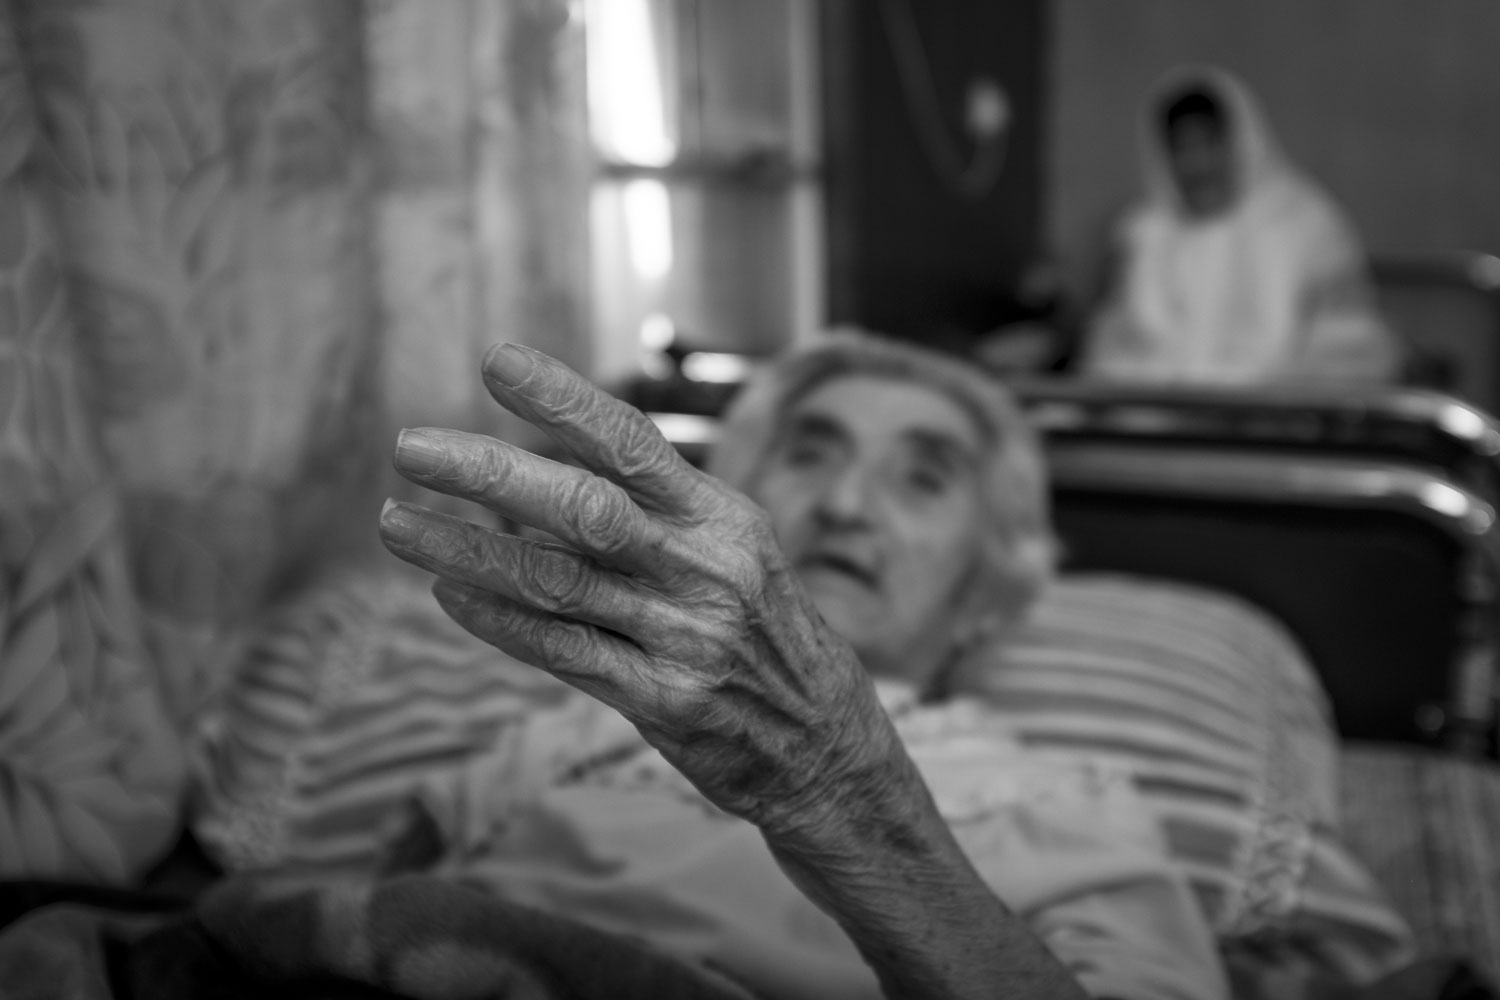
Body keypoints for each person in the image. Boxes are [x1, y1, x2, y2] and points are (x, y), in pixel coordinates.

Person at [373, 331, 1229, 999]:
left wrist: (840, 788)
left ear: (985, 595)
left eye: (923, 479)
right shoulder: (565, 733)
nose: (847, 505)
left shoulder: (1077, 804)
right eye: (812, 454)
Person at [1075, 66, 1401, 385]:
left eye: (1208, 143)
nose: (1196, 164)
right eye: (1181, 147)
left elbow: (1353, 354)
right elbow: (1110, 350)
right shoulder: (1141, 235)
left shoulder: (1307, 228)